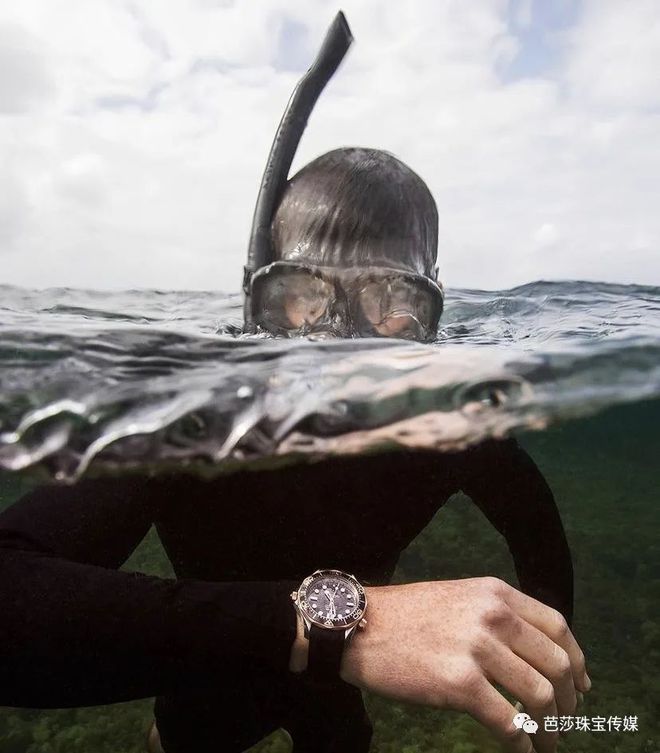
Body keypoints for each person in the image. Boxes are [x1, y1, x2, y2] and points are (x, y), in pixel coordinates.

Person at [0, 12, 589, 753]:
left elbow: (538, 537)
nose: (339, 350)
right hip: (207, 681)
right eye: (301, 304)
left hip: (336, 695)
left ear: (434, 306)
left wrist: (548, 678)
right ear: (258, 302)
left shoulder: (452, 423)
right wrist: (346, 627)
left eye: (392, 308)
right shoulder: (197, 417)